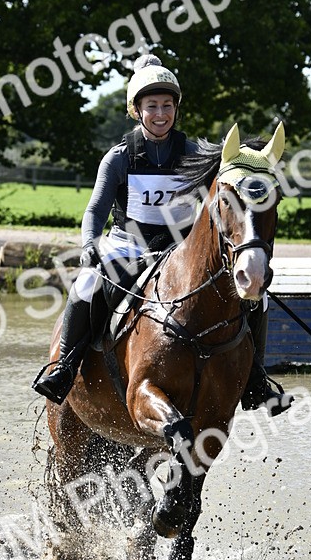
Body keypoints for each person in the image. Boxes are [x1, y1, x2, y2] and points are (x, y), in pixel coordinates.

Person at [32, 53, 286, 412]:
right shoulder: (119, 157)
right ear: (137, 110)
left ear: (176, 109)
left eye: (167, 105)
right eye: (152, 106)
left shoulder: (194, 153)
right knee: (86, 286)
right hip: (128, 248)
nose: (161, 113)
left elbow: (235, 177)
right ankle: (64, 368)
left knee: (255, 296)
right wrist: (89, 243)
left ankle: (256, 380)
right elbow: (95, 210)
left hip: (178, 251)